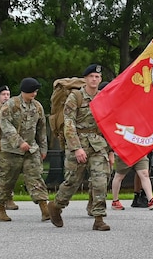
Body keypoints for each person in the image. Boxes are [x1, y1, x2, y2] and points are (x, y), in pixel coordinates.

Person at [47, 64, 114, 231]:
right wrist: (77, 148)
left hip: (98, 144)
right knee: (72, 181)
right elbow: (68, 124)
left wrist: (111, 150)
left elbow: (108, 124)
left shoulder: (102, 97)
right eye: (91, 76)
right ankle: (56, 206)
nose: (94, 79)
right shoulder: (75, 97)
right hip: (78, 143)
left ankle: (98, 218)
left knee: (100, 180)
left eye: (97, 77)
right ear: (85, 79)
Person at [0, 78, 50, 222]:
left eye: (36, 91)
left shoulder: (37, 107)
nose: (34, 94)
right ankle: (0, 210)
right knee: (7, 180)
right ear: (24, 91)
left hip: (31, 150)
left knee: (35, 178)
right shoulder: (10, 105)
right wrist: (19, 142)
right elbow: (5, 125)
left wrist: (43, 148)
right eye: (32, 91)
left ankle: (45, 209)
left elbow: (41, 128)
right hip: (10, 151)